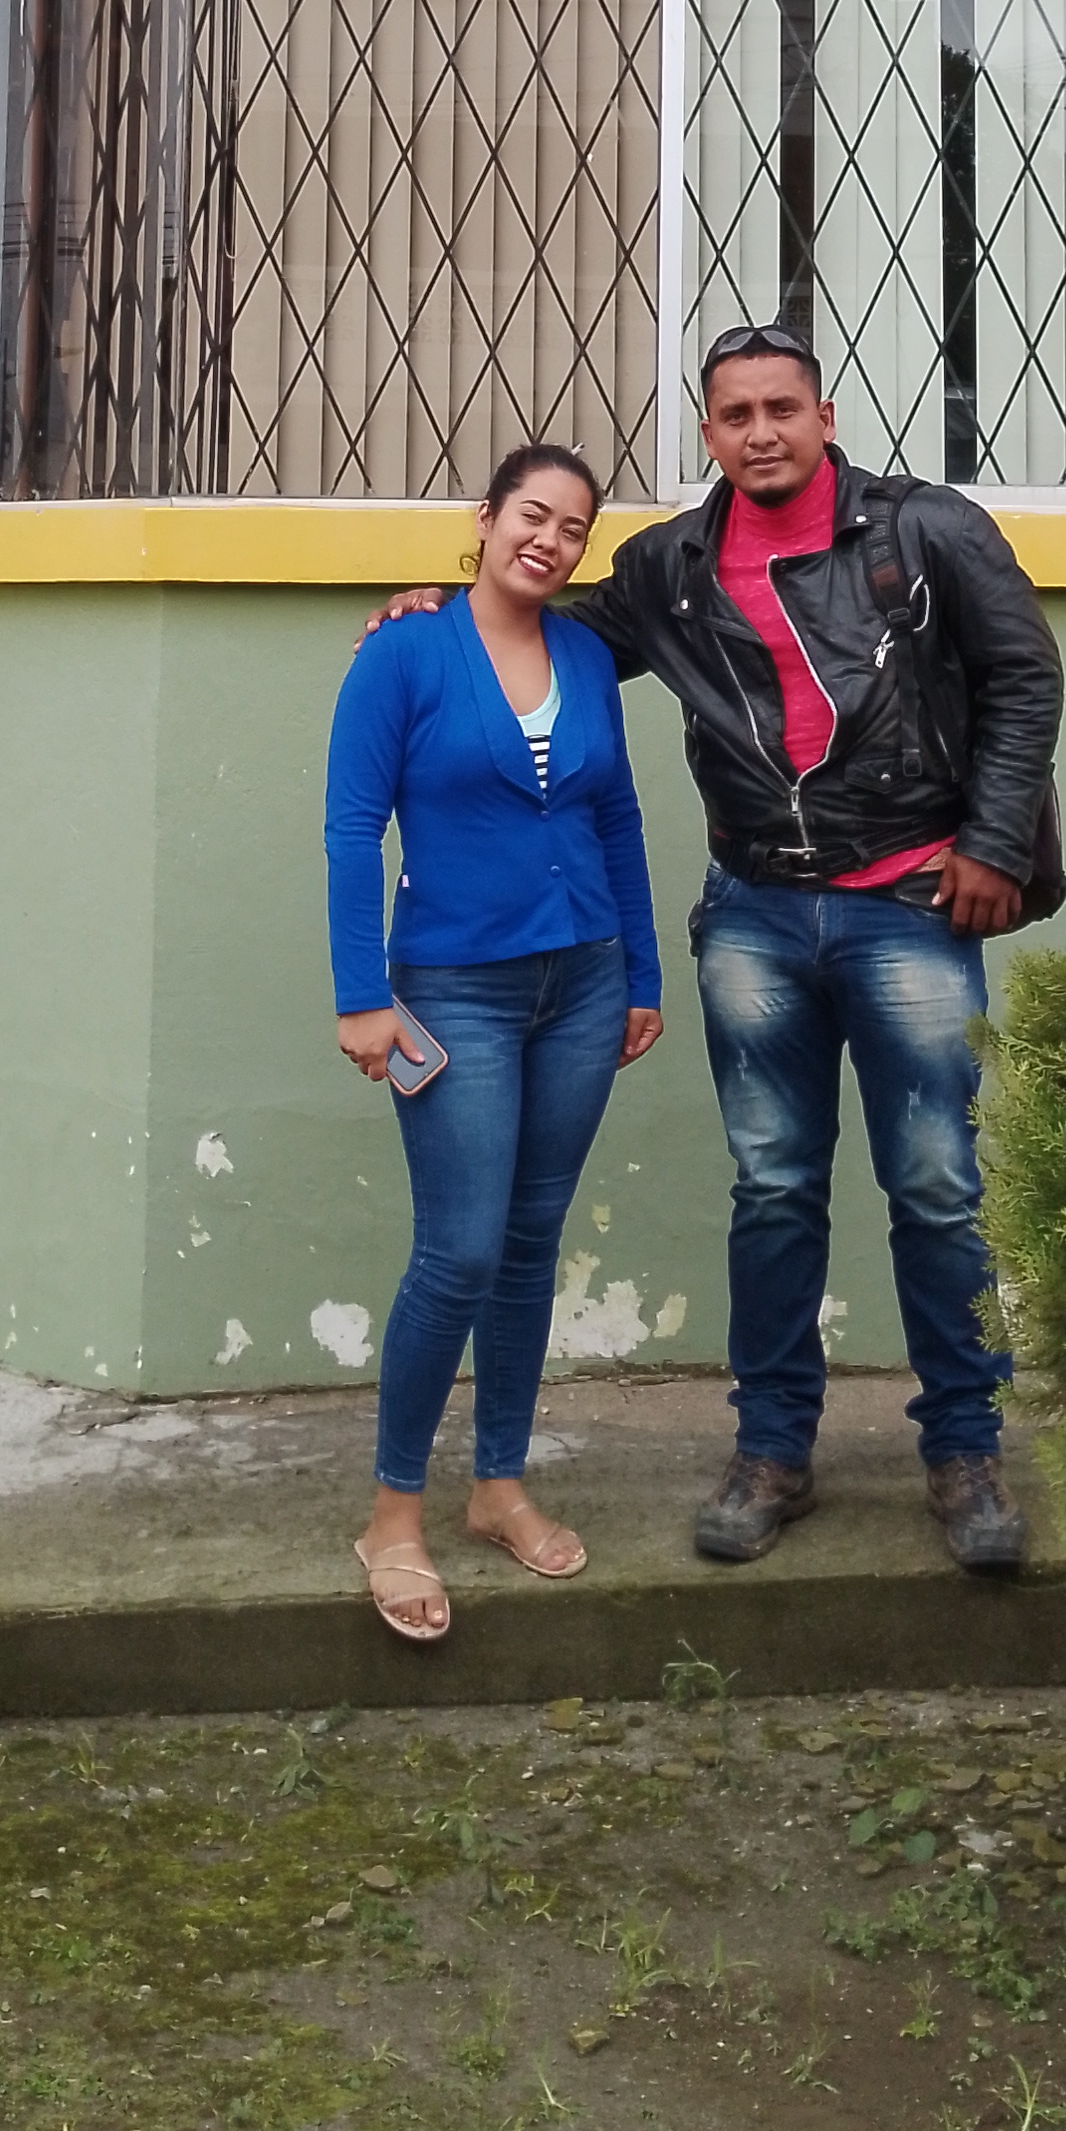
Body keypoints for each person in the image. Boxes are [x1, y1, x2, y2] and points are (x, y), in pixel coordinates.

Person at [379, 324, 1063, 1576]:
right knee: (774, 1185)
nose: (760, 431)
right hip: (753, 911)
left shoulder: (926, 529)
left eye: (781, 408)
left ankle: (965, 1450)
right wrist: (436, 607)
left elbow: (1026, 674)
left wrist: (994, 841)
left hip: (908, 902)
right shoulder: (671, 566)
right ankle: (772, 1449)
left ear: (825, 416)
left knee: (936, 1184)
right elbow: (551, 631)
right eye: (735, 413)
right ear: (708, 433)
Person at [327, 440, 662, 1644]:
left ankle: (500, 1484)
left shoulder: (587, 655)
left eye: (573, 528)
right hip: (453, 987)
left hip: (584, 980)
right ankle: (393, 1514)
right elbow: (352, 824)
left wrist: (641, 971)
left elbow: (616, 814)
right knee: (458, 1249)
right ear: (485, 516)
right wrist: (361, 992)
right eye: (533, 513)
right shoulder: (404, 650)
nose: (550, 540)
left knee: (528, 1243)